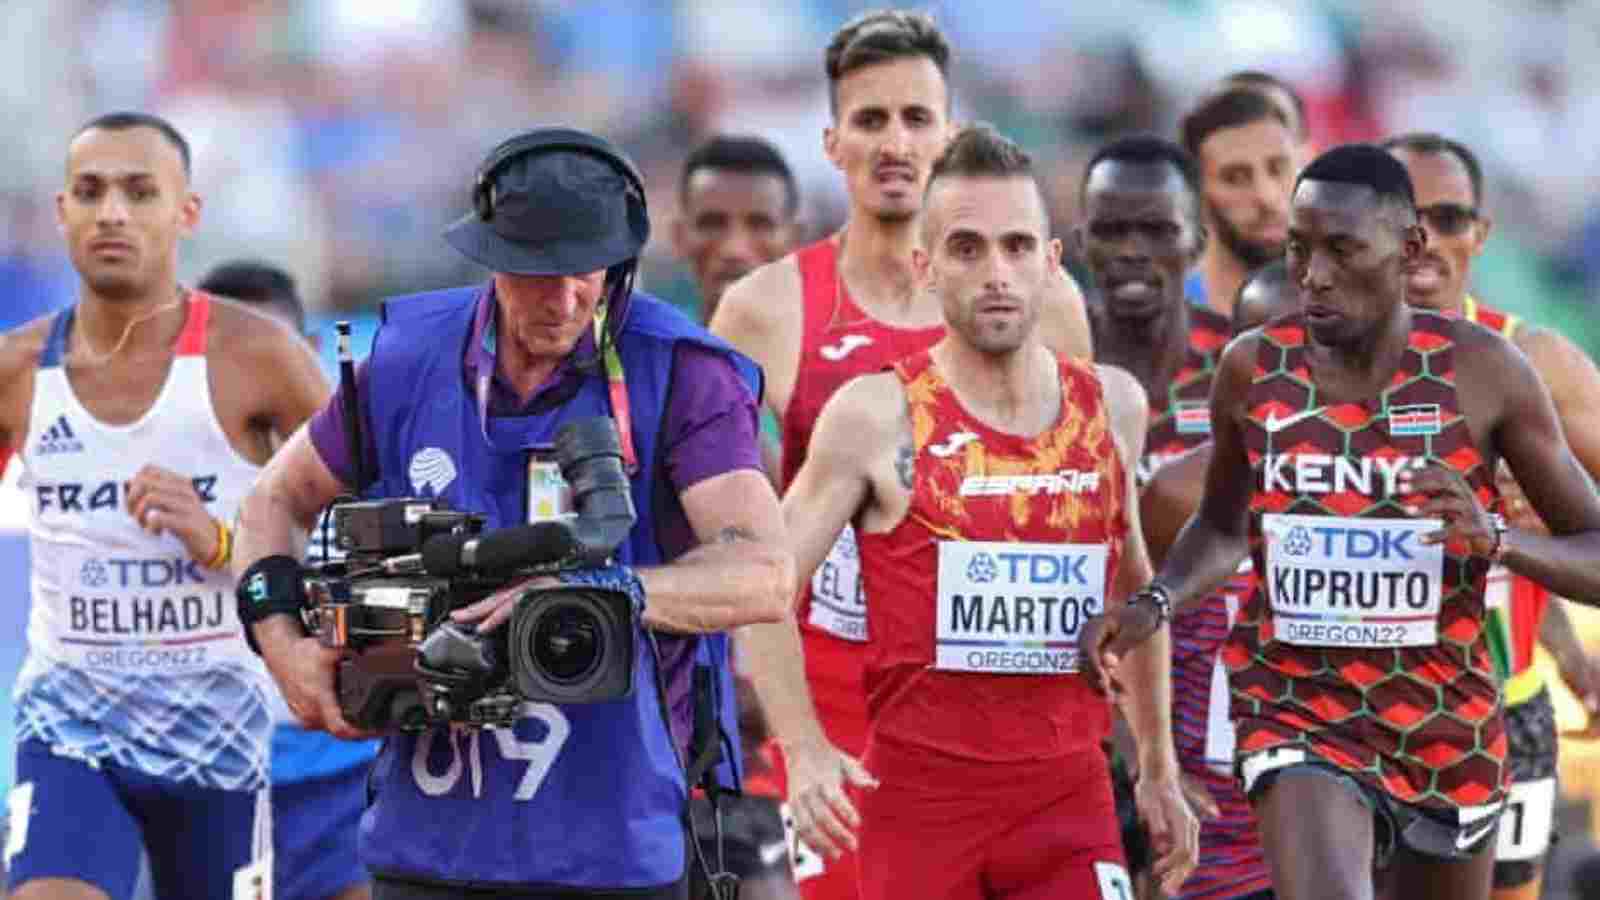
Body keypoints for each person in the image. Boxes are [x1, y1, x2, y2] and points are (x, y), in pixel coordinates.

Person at [231, 126, 793, 900]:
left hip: (618, 851)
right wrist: (285, 647)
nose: (562, 301)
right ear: (492, 255)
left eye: (584, 273)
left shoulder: (685, 373)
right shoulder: (403, 358)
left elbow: (766, 570)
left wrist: (616, 594)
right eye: (535, 273)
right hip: (421, 847)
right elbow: (272, 500)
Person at [1087, 144, 1600, 900]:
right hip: (1299, 713)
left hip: (1444, 724)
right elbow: (1224, 529)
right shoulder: (1254, 367)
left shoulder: (1484, 370)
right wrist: (1157, 599)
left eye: (1342, 249)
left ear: (1409, 248)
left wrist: (1496, 540)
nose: (1313, 274)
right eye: (1300, 249)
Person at [710, 13, 1094, 897]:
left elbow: (1084, 508)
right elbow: (720, 517)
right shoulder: (768, 309)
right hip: (839, 700)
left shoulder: (1047, 299)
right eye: (870, 120)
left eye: (916, 119)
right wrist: (790, 734)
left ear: (949, 135)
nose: (894, 143)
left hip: (1005, 703)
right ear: (831, 140)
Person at [778, 123, 1195, 900]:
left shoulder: (1112, 405)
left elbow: (1137, 596)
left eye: (1016, 247)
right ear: (925, 267)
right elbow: (763, 591)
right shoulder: (875, 416)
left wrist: (1160, 769)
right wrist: (802, 748)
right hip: (920, 808)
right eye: (967, 249)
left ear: (1052, 262)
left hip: (1069, 801)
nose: (996, 273)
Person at [0, 112, 329, 899]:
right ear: (62, 211)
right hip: (69, 730)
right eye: (91, 191)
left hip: (218, 737)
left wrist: (219, 541)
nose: (112, 210)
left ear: (187, 212)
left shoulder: (261, 357)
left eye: (140, 191)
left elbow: (359, 539)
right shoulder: (16, 368)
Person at [1381, 132, 1600, 900]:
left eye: (1449, 217)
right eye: (1407, 216)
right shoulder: (1312, 355)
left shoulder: (1536, 360)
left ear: (1482, 233)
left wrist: (1533, 522)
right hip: (1344, 713)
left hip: (1502, 710)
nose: (1426, 240)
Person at [197, 260, 375, 900]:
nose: (257, 373)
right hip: (212, 773)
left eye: (273, 349)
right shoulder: (155, 460)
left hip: (340, 768)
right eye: (233, 354)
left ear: (304, 352)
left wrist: (215, 543)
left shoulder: (356, 455)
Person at [1137, 259, 1298, 900]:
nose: (1288, 376)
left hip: (1350, 802)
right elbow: (1127, 634)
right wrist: (1154, 769)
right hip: (1215, 829)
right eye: (1264, 353)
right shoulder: (1176, 494)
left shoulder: (1389, 486)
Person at [669, 137, 802, 900]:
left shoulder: (833, 373)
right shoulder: (643, 369)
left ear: (796, 232)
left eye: (759, 224)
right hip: (681, 732)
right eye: (713, 223)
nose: (736, 247)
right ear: (678, 235)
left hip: (802, 733)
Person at [1079, 135, 1224, 484]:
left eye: (1157, 231)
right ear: (1081, 244)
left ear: (1197, 245)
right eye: (1110, 231)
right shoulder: (1044, 366)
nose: (1131, 251)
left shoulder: (1241, 365)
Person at [1180, 89, 1297, 317]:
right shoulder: (1169, 324)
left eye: (1278, 168)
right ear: (1195, 194)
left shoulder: (1356, 313)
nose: (1267, 197)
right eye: (1235, 177)